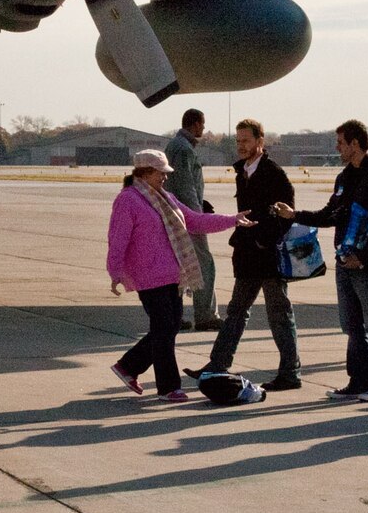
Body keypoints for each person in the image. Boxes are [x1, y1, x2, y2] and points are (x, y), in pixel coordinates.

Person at [106, 150, 246, 402]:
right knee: (163, 328)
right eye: (161, 173)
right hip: (148, 276)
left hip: (173, 275)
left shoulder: (167, 199)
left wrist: (233, 220)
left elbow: (195, 221)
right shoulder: (128, 200)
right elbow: (118, 239)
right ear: (145, 173)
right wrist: (115, 272)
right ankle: (169, 387)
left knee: (168, 328)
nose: (165, 178)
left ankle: (128, 366)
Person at [274, 119, 368, 401]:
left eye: (340, 142)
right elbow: (330, 214)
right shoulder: (345, 177)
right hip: (344, 260)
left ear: (355, 144)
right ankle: (358, 381)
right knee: (352, 326)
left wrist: (364, 258)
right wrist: (295, 215)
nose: (337, 147)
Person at [194, 119, 304, 390]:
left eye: (245, 140)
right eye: (238, 140)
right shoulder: (243, 171)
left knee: (279, 313)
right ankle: (218, 364)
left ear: (259, 142)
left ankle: (290, 373)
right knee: (236, 311)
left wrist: (264, 241)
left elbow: (287, 212)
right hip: (247, 255)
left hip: (267, 257)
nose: (241, 145)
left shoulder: (272, 172)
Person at [163, 107, 220, 332]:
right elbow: (185, 186)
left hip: (176, 213)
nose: (203, 129)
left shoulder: (175, 145)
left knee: (176, 267)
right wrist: (197, 216)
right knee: (204, 264)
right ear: (194, 124)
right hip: (187, 216)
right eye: (202, 124)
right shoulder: (184, 149)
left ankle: (173, 316)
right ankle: (205, 316)